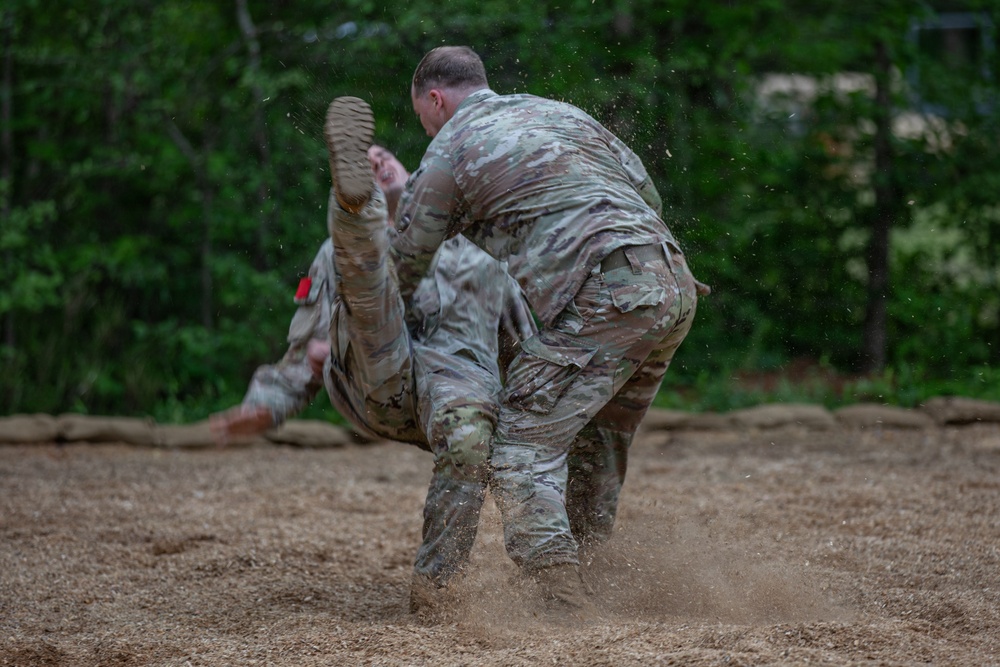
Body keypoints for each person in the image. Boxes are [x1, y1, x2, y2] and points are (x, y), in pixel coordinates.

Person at [389, 46, 705, 618]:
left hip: (610, 297)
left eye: (421, 115)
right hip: (674, 284)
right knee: (598, 436)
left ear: (434, 99)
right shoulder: (560, 114)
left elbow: (408, 261)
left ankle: (563, 597)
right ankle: (592, 569)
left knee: (521, 441)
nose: (424, 127)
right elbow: (647, 195)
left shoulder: (451, 148)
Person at [211, 97, 535, 614]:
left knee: (468, 439)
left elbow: (524, 341)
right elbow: (301, 349)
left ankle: (435, 594)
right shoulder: (328, 256)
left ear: (415, 171)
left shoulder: (481, 250)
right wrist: (267, 406)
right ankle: (359, 218)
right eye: (364, 162)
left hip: (457, 387)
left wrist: (542, 413)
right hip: (375, 384)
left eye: (381, 155)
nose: (377, 161)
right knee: (370, 279)